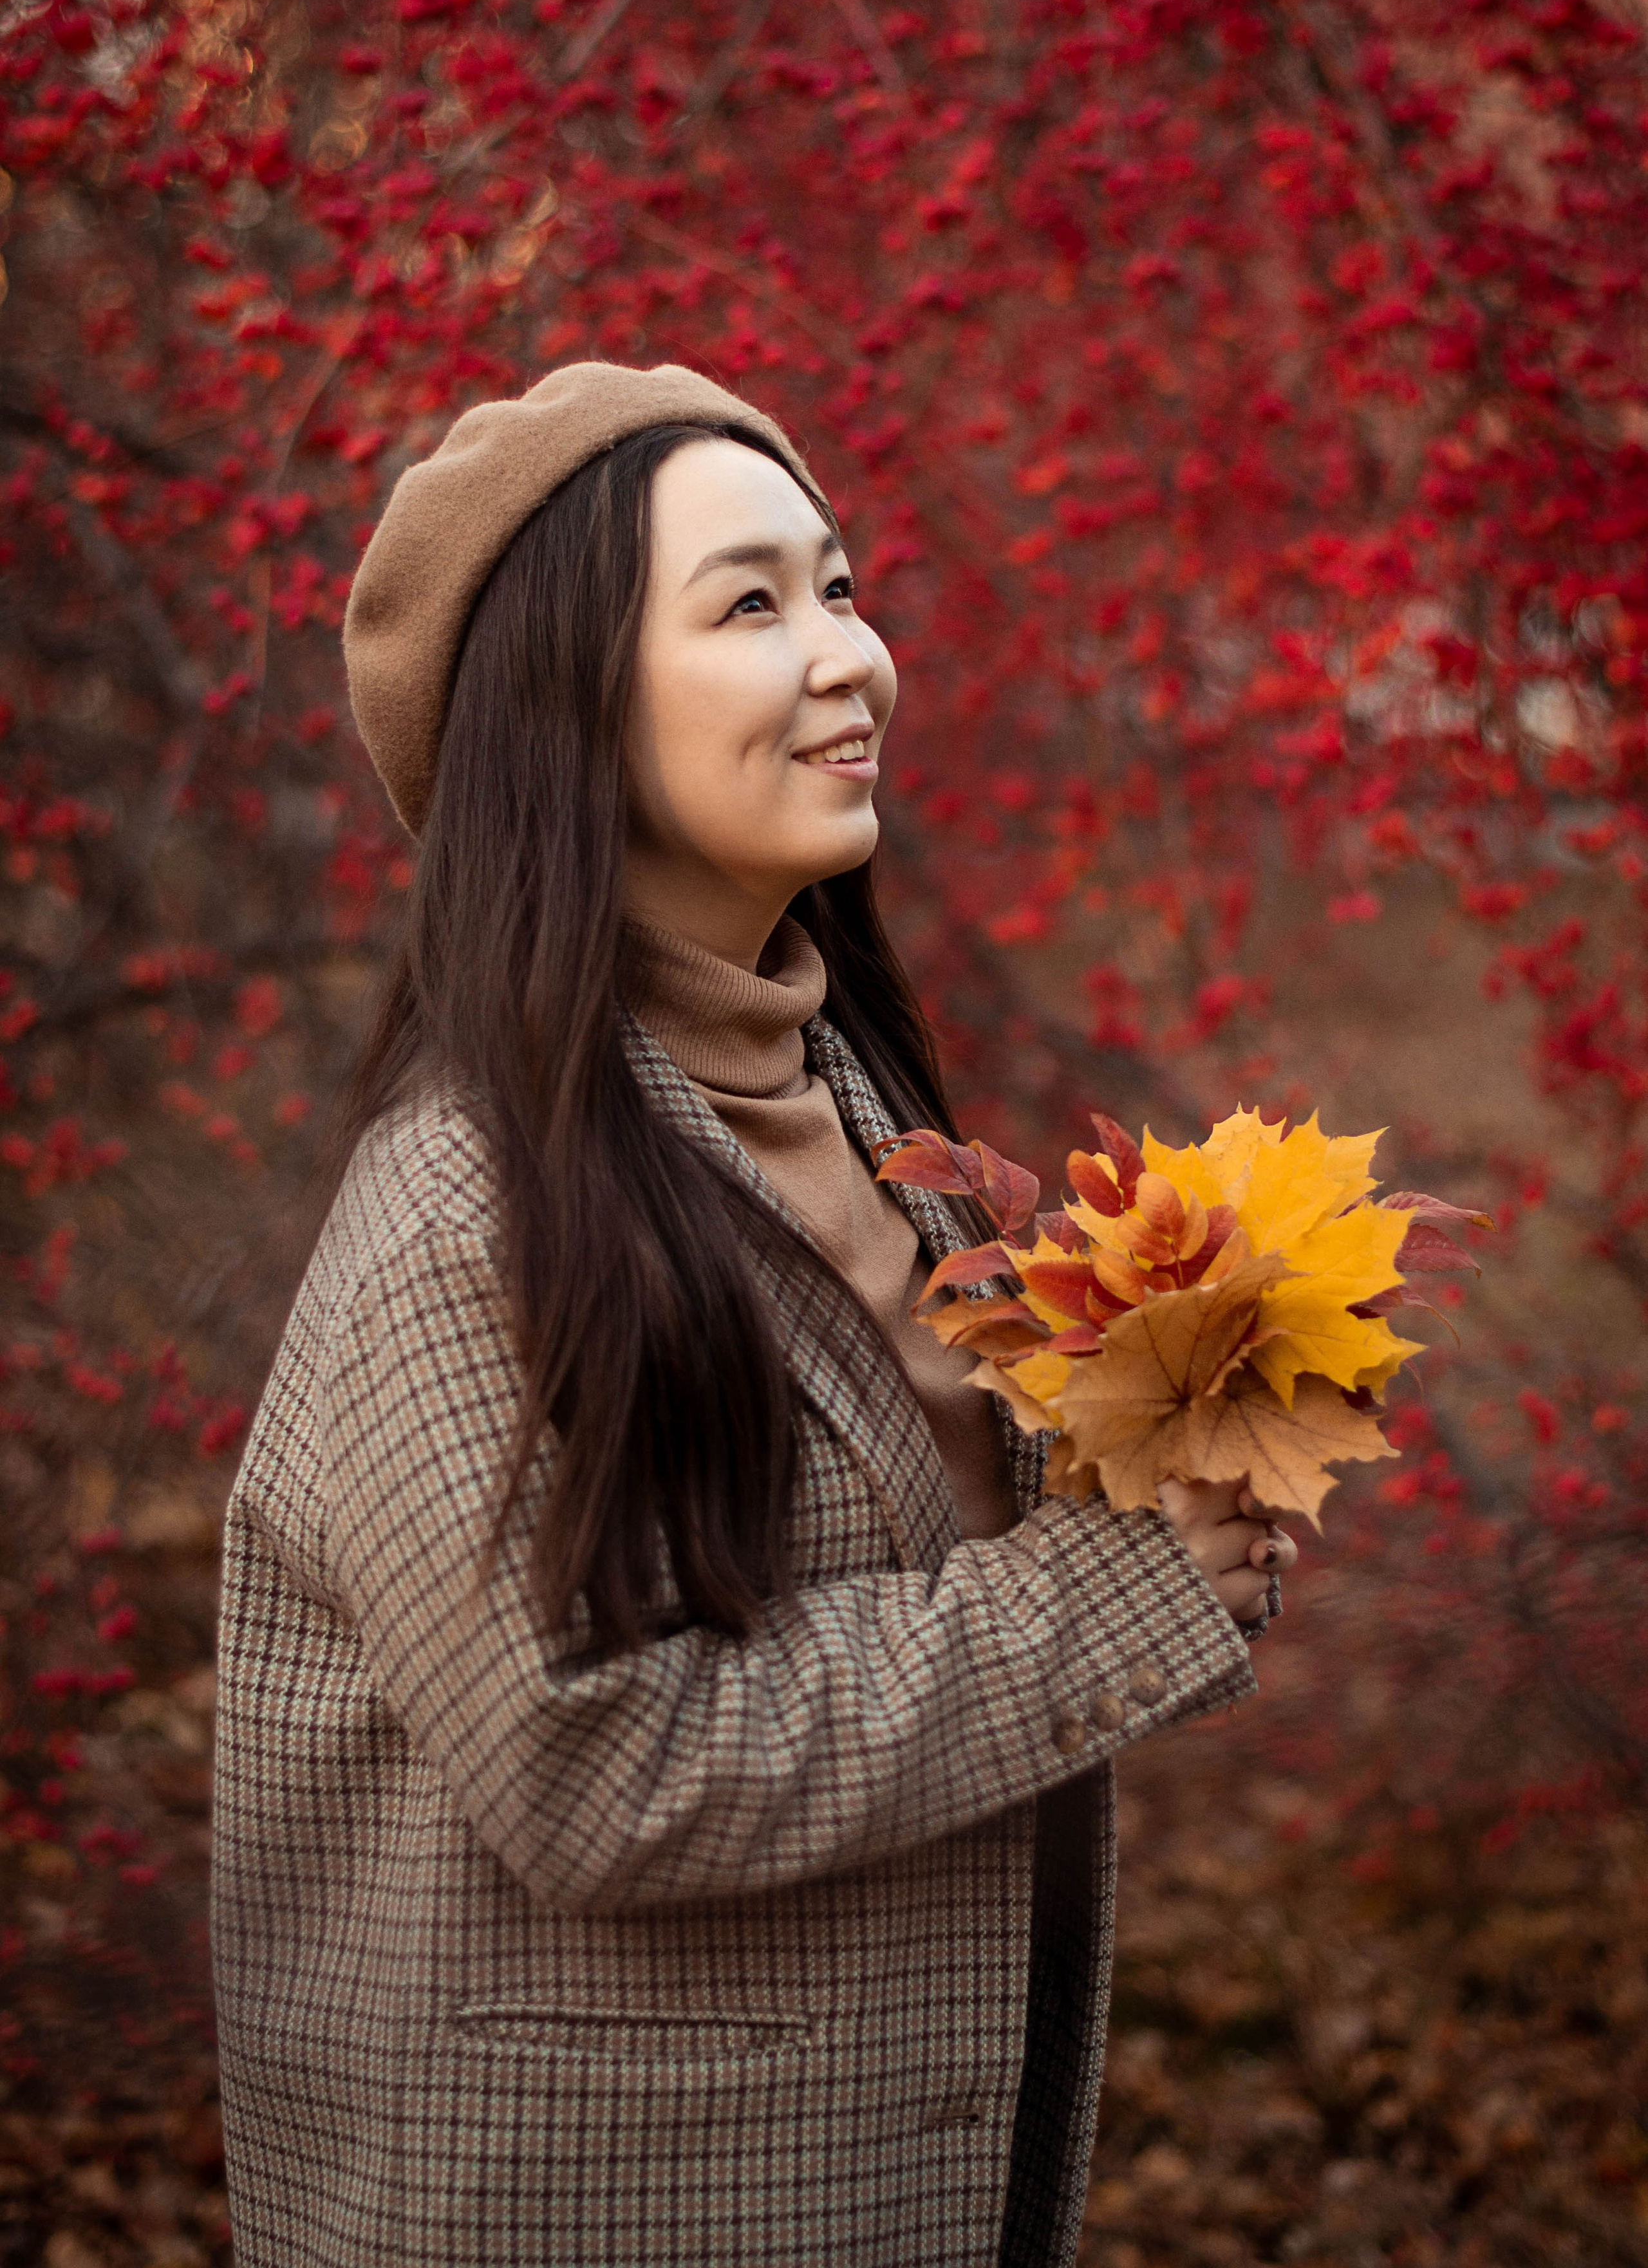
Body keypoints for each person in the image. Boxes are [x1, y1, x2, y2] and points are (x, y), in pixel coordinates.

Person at [211, 361, 1293, 2268]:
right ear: (564, 713)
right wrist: (1111, 1599)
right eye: (751, 603)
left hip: (894, 2167)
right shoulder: (462, 1212)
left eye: (847, 586)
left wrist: (1189, 1438)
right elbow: (586, 1759)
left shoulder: (859, 1107)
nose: (850, 656)